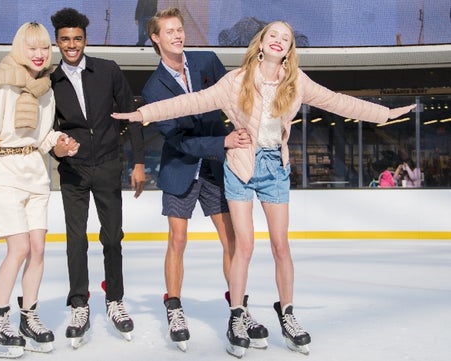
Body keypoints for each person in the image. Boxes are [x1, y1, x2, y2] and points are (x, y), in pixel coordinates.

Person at [112, 20, 416, 358]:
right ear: (261, 42)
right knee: (243, 245)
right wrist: (143, 114)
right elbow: (190, 103)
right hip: (241, 163)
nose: (278, 41)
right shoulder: (236, 81)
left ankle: (287, 313)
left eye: (285, 38)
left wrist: (384, 114)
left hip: (275, 167)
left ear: (289, 50)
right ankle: (237, 316)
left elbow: (339, 103)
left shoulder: (296, 81)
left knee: (281, 246)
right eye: (273, 35)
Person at [143, 7, 267, 351]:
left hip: (214, 168)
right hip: (181, 167)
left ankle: (239, 309)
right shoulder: (154, 87)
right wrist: (222, 141)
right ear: (156, 38)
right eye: (169, 31)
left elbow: (235, 94)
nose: (178, 36)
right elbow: (176, 138)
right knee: (178, 240)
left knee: (232, 241)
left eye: (180, 30)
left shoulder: (207, 62)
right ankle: (174, 308)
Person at [0, 21, 79, 358]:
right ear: (19, 50)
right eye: (32, 48)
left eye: (44, 48)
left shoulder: (46, 91)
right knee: (20, 249)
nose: (40, 54)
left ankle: (29, 316)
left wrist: (59, 141)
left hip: (36, 177)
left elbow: (41, 138)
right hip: (4, 176)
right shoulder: (3, 89)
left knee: (38, 250)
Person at [49, 7, 146, 346]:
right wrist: (56, 150)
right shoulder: (50, 81)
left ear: (85, 39)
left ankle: (115, 299)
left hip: (107, 164)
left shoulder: (107, 71)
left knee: (112, 236)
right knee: (76, 240)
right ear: (57, 42)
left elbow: (131, 116)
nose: (71, 45)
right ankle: (79, 303)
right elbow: (46, 131)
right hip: (73, 171)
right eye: (65, 39)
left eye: (77, 38)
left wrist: (138, 163)